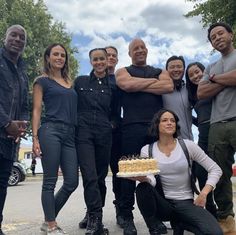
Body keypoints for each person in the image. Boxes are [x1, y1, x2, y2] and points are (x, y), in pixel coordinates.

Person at [115, 38, 173, 235]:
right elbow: (126, 85)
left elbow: (167, 86)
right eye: (135, 49)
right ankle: (127, 218)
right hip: (131, 128)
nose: (139, 50)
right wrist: (152, 83)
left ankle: (154, 219)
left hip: (155, 130)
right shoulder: (123, 70)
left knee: (154, 174)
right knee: (130, 174)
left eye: (142, 48)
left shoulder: (160, 71)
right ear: (130, 53)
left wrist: (140, 84)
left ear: (147, 50)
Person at [132, 109, 223, 235]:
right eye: (164, 120)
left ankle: (180, 222)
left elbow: (215, 169)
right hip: (163, 204)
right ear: (156, 125)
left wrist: (203, 194)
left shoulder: (188, 146)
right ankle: (155, 227)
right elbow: (151, 179)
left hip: (186, 203)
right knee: (142, 188)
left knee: (214, 232)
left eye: (172, 120)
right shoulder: (147, 150)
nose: (169, 123)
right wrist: (143, 178)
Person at [32, 43, 78, 234]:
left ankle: (48, 218)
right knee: (50, 181)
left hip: (70, 134)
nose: (59, 57)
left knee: (72, 182)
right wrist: (35, 138)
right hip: (50, 131)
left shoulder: (70, 82)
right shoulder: (41, 81)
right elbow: (36, 110)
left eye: (62, 55)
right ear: (48, 57)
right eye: (55, 54)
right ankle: (51, 224)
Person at [74, 48, 118, 235]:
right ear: (91, 61)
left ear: (108, 60)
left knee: (100, 178)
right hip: (83, 134)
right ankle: (94, 218)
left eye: (103, 59)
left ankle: (93, 215)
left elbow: (116, 113)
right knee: (89, 176)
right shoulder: (80, 81)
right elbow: (72, 105)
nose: (99, 62)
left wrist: (111, 126)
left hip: (103, 134)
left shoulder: (114, 86)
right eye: (96, 59)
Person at [197, 22, 236, 233]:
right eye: (213, 37)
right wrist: (226, 80)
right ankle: (226, 220)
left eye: (220, 33)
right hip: (217, 125)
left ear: (230, 34)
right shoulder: (211, 66)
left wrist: (214, 81)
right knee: (220, 174)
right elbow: (201, 93)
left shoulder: (213, 72)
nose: (217, 38)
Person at [0, 25, 29, 235]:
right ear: (5, 38)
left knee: (2, 184)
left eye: (21, 37)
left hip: (10, 140)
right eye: (13, 35)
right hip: (2, 129)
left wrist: (22, 125)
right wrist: (5, 122)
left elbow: (25, 105)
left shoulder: (22, 73)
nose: (17, 39)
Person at [186, 62, 217, 217]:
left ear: (204, 71)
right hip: (203, 132)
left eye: (197, 72)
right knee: (199, 169)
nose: (195, 76)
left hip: (217, 128)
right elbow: (199, 119)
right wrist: (186, 118)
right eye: (191, 75)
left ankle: (224, 212)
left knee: (219, 169)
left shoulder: (213, 85)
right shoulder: (194, 95)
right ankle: (210, 203)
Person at [163, 56, 193, 140]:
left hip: (189, 141)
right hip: (168, 142)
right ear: (166, 71)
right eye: (172, 67)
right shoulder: (161, 91)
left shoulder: (189, 89)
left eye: (179, 67)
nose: (176, 70)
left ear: (184, 69)